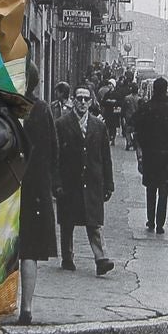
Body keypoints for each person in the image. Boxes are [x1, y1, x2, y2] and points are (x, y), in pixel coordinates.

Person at [54, 85, 115, 274]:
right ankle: (67, 257)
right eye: (79, 98)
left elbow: (105, 156)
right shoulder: (62, 124)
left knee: (94, 222)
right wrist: (56, 183)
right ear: (73, 100)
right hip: (69, 181)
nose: (82, 102)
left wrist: (109, 183)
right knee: (68, 223)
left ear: (90, 102)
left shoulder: (98, 125)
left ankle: (101, 259)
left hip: (92, 181)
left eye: (85, 99)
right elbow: (55, 156)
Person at [15, 62, 58, 325]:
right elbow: (53, 151)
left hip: (5, 187)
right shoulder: (42, 110)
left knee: (2, 251)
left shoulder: (2, 104)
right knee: (29, 250)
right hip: (34, 190)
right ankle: (26, 308)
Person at [135, 78, 168, 234]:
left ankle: (150, 220)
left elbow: (137, 128)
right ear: (166, 90)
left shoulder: (146, 108)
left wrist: (143, 149)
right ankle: (160, 224)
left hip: (150, 155)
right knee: (164, 190)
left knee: (150, 189)